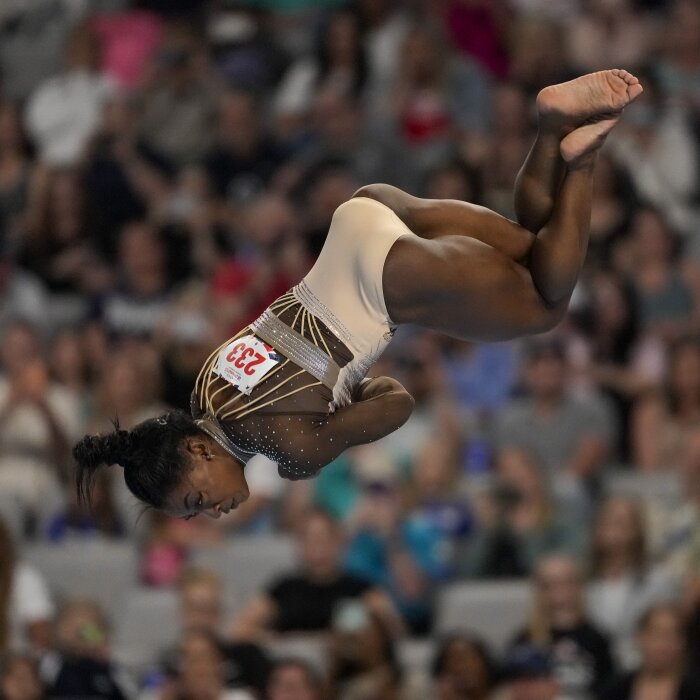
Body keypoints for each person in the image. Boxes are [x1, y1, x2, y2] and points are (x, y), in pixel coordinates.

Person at [74, 70, 644, 522]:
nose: (214, 514)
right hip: (363, 217)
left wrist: (345, 394)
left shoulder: (292, 450)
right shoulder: (206, 383)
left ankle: (580, 156)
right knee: (530, 244)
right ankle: (551, 125)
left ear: (198, 453)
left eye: (197, 502)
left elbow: (398, 401)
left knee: (547, 303)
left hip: (392, 282)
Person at [510, 554, 614, 700]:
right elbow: (511, 688)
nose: (558, 590)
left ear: (578, 585)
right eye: (549, 584)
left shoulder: (597, 639)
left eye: (565, 582)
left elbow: (610, 689)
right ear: (539, 590)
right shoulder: (524, 640)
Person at [599, 604, 700, 700]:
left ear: (683, 641)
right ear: (640, 636)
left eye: (671, 635)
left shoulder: (694, 689)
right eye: (656, 634)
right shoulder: (617, 688)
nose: (663, 644)